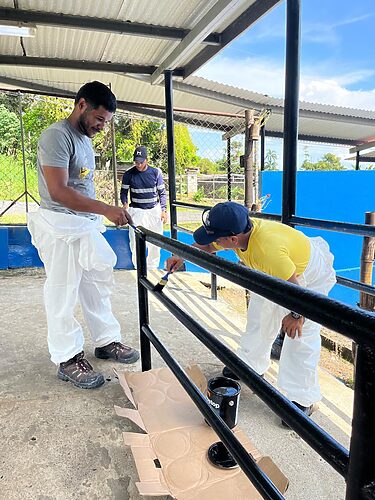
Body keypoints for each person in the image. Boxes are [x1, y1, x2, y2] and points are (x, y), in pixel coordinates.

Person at [166, 201, 336, 419]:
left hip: (308, 277)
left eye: (217, 238)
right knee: (260, 314)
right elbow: (207, 247)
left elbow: (298, 291)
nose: (214, 242)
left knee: (300, 334)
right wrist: (182, 254)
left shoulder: (268, 250)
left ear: (233, 240)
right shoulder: (236, 232)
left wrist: (296, 315)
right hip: (275, 269)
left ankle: (303, 398)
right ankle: (251, 365)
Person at [27, 81, 139, 390]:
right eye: (99, 119)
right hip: (60, 225)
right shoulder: (56, 136)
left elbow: (82, 185)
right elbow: (60, 191)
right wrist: (106, 209)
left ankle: (106, 340)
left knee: (97, 283)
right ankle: (67, 357)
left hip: (85, 225)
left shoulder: (85, 139)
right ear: (81, 105)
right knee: (63, 290)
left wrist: (100, 212)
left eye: (107, 122)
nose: (102, 127)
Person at [120, 146, 167, 269]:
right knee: (135, 241)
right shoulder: (128, 174)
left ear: (146, 160)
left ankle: (152, 267)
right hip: (136, 210)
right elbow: (123, 192)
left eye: (141, 162)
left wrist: (163, 210)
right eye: (136, 162)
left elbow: (162, 193)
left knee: (156, 241)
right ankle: (139, 267)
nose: (139, 165)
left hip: (153, 210)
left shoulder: (156, 172)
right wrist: (125, 204)